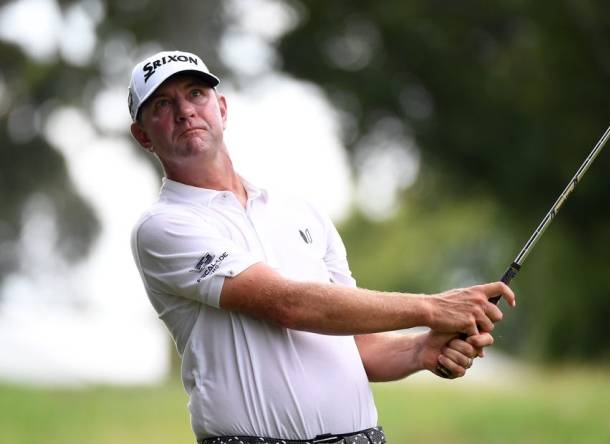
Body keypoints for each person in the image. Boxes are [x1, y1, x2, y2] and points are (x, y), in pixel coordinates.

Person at [128, 50, 515, 444]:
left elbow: (358, 345)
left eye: (196, 94)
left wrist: (420, 350)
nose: (184, 111)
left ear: (221, 109)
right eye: (163, 103)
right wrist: (433, 309)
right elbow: (287, 304)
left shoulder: (301, 210)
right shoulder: (163, 226)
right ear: (142, 135)